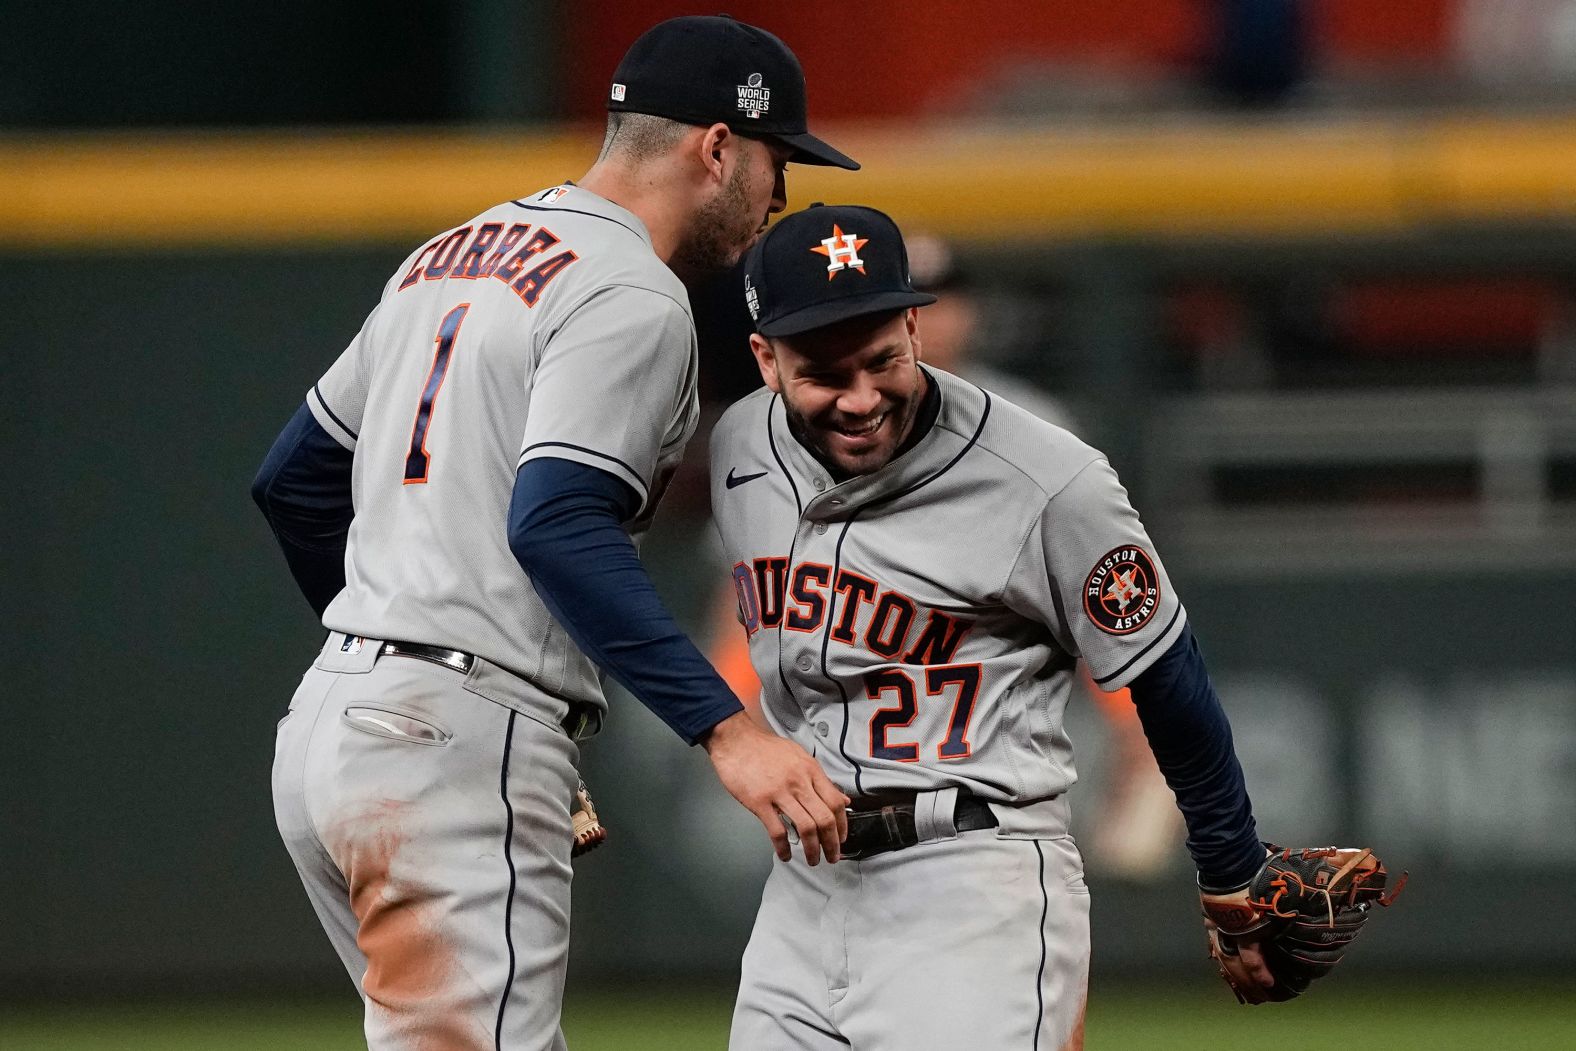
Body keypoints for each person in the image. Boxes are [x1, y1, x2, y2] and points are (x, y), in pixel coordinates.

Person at [251, 16, 857, 1050]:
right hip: (443, 741)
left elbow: (296, 479)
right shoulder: (631, 290)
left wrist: (396, 659)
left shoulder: (446, 254)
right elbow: (560, 521)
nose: (779, 199)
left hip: (335, 727)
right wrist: (730, 728)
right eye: (773, 162)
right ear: (715, 149)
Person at [711, 204, 1276, 1050]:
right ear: (766, 359)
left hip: (974, 878)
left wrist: (1232, 864)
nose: (862, 397)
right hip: (805, 883)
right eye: (829, 373)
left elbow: (1165, 669)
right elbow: (576, 528)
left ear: (915, 324)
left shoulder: (1047, 476)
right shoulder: (738, 450)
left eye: (883, 360)